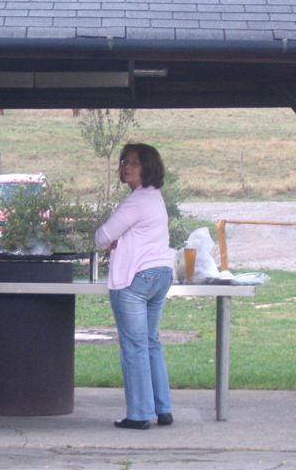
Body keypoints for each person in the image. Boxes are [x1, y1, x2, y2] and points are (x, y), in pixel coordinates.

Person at [94, 143, 175, 430]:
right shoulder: (155, 198)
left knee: (134, 346)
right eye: (124, 162)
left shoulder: (136, 201)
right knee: (151, 342)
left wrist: (112, 240)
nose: (127, 167)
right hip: (161, 274)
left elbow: (102, 237)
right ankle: (163, 408)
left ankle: (140, 414)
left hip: (134, 279)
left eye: (134, 163)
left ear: (148, 167)